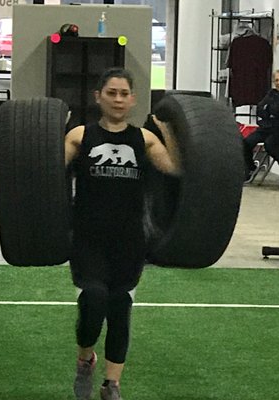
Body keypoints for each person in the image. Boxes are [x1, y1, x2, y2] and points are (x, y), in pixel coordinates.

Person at [65, 67, 181, 400]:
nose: (117, 99)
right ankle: (86, 358)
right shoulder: (79, 136)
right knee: (93, 298)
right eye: (111, 92)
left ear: (131, 99)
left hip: (130, 239)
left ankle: (111, 384)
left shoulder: (143, 140)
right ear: (98, 96)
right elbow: (46, 175)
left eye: (123, 93)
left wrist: (169, 131)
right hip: (88, 238)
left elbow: (175, 168)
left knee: (119, 305)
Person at [243, 69, 279, 182]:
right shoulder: (271, 93)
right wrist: (271, 111)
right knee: (245, 143)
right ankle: (250, 168)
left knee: (270, 145)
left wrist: (270, 110)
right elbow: (260, 108)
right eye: (276, 80)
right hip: (266, 126)